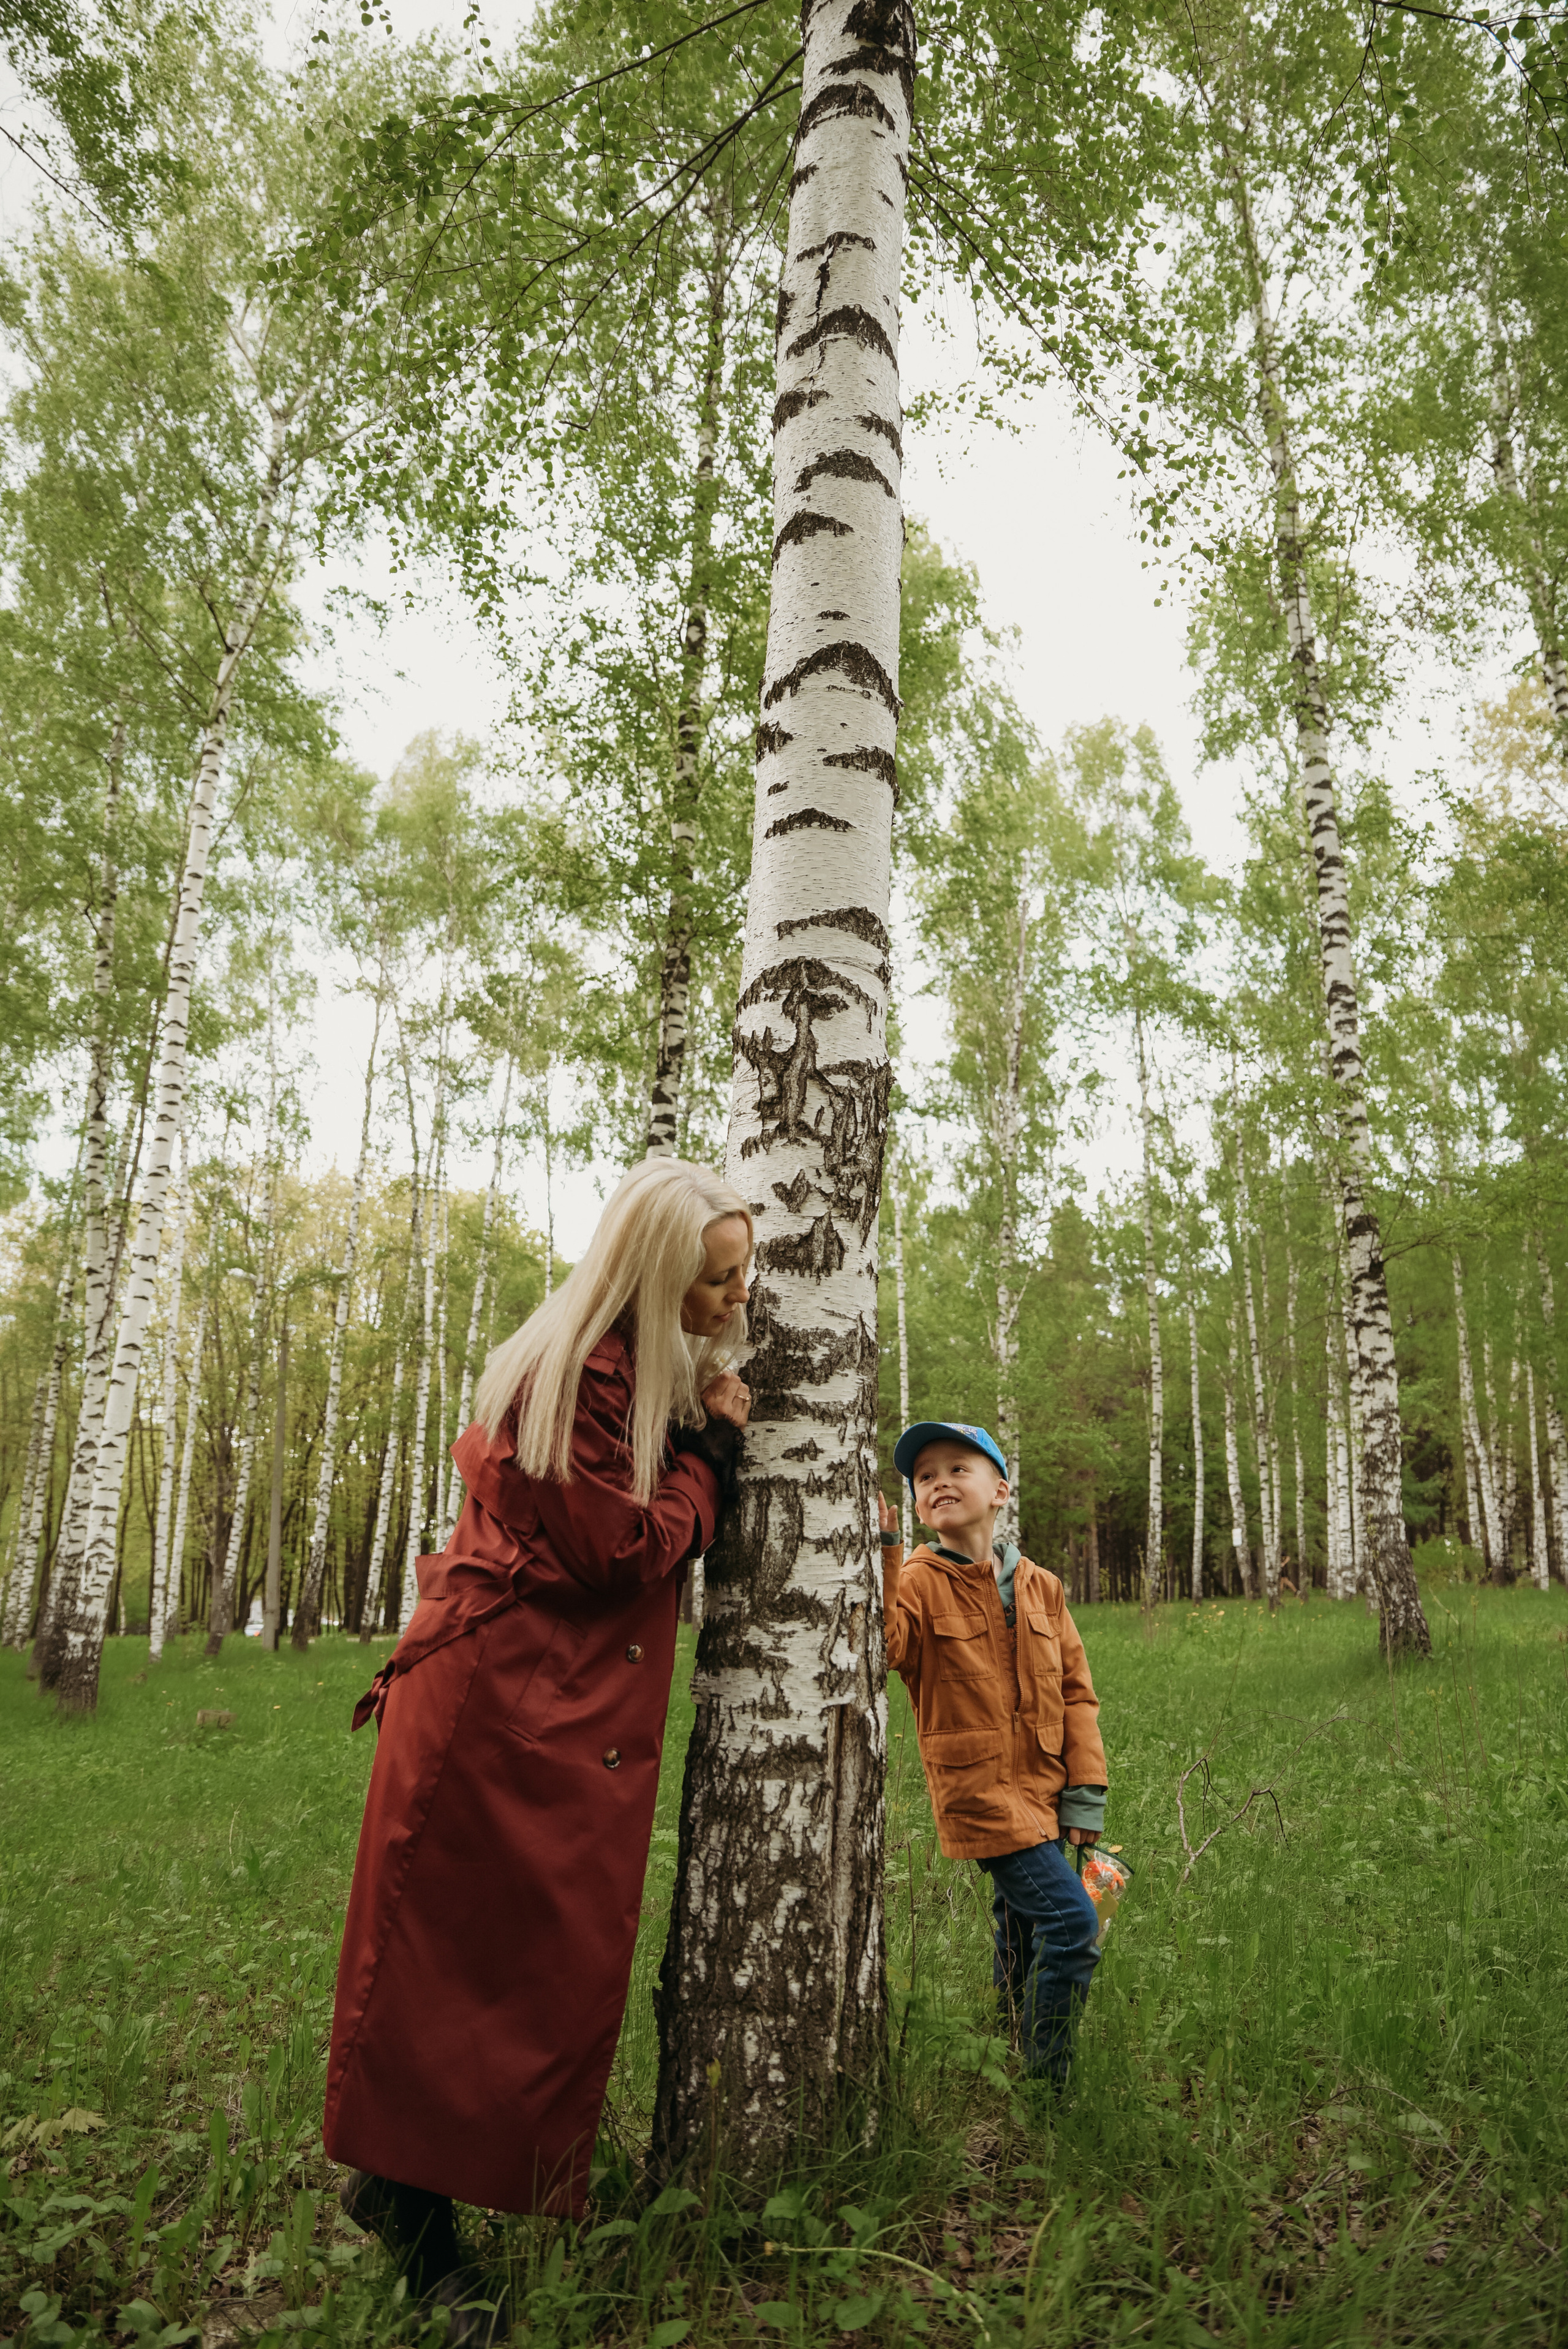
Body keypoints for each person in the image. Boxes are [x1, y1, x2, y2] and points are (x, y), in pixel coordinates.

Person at [323, 1159, 753, 2325]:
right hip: (484, 1705)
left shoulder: (625, 1364)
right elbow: (620, 1547)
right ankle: (417, 2227)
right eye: (716, 1282)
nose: (735, 1303)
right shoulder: (580, 1371)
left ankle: (409, 2190)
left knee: (511, 1961)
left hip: (531, 1699)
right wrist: (711, 1462)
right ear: (658, 1275)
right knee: (444, 1970)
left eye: (740, 1277)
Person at [880, 1420, 1108, 2088]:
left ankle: (1007, 2044)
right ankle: (1046, 2087)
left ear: (1000, 1489)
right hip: (978, 1791)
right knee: (1071, 1925)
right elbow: (886, 1649)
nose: (939, 1482)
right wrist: (887, 1555)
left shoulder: (1042, 1586)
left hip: (1046, 1787)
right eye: (924, 1477)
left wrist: (1084, 1791)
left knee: (1024, 1929)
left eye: (958, 1468)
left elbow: (1076, 1693)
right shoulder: (919, 1579)